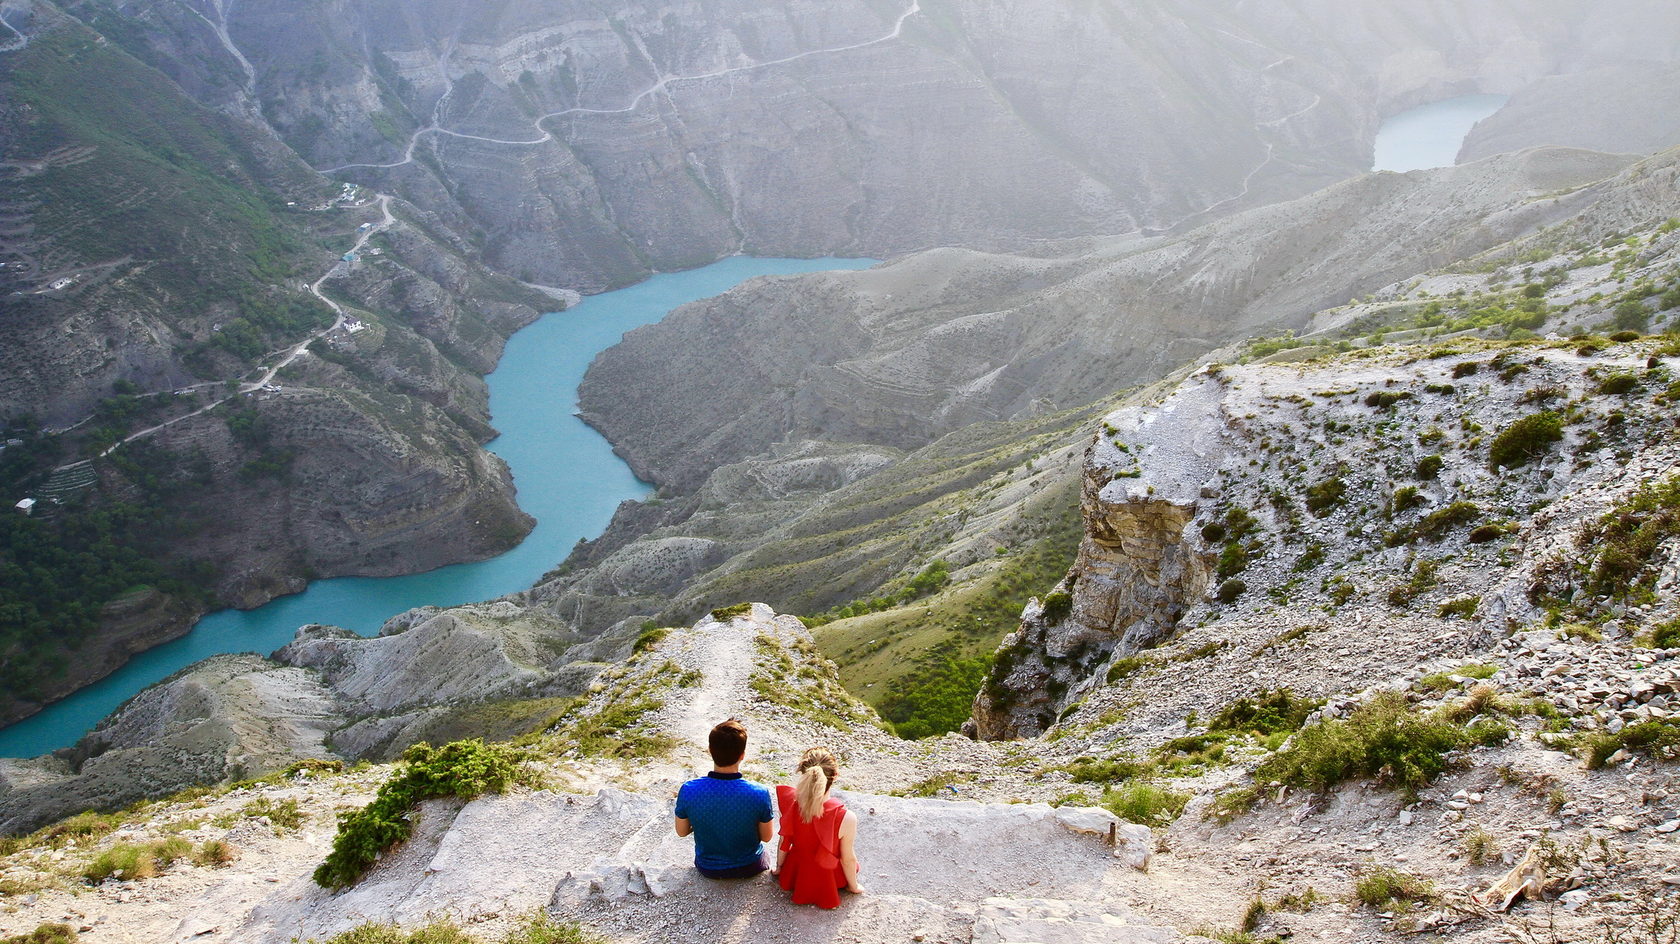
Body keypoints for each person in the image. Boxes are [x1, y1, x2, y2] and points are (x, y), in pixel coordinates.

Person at [674, 719, 774, 879]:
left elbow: (682, 831)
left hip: (708, 867)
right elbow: (767, 837)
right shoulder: (759, 792)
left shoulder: (689, 790)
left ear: (710, 751)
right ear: (742, 755)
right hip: (750, 865)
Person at [774, 747, 864, 908]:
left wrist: (779, 868)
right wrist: (854, 886)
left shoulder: (791, 804)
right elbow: (847, 859)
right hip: (829, 876)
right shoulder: (846, 817)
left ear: (803, 772)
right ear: (835, 776)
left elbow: (784, 841)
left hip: (796, 872)